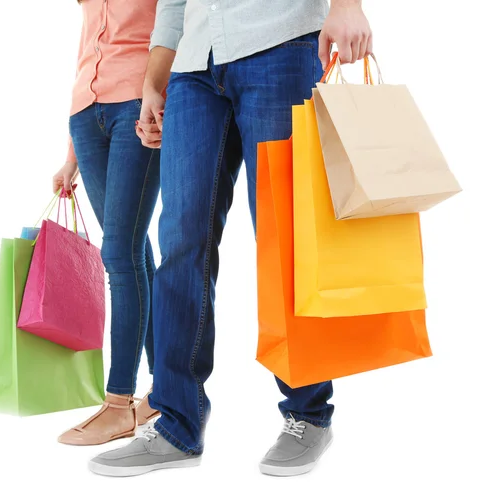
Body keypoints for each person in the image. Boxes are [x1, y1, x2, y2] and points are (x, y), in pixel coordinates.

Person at [88, 0, 373, 476]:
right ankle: (176, 423)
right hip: (195, 65)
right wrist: (154, 80)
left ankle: (308, 413)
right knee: (180, 239)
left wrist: (347, 6)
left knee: (285, 236)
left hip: (280, 42)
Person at [53, 0, 162, 446]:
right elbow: (87, 49)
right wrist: (70, 157)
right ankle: (165, 389)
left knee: (119, 252)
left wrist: (162, 98)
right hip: (86, 115)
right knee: (133, 249)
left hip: (136, 105)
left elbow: (171, 33)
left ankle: (120, 405)